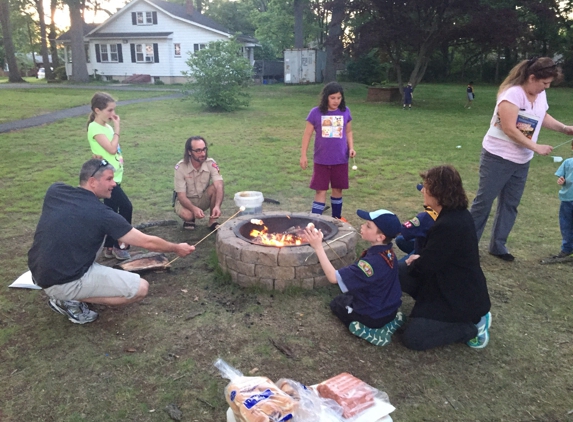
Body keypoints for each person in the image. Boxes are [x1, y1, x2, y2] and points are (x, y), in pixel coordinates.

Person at [28, 159, 195, 324]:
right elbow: (146, 242)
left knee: (91, 235)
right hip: (62, 280)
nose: (114, 184)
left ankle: (65, 291)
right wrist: (176, 248)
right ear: (92, 182)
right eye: (109, 179)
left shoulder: (56, 191)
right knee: (141, 288)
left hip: (38, 270)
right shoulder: (103, 215)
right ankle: (66, 299)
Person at [470, 57, 573, 262]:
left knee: (510, 204)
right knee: (484, 202)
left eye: (549, 84)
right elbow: (508, 128)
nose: (546, 87)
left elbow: (542, 115)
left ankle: (498, 246)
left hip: (521, 160)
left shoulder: (539, 95)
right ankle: (467, 246)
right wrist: (536, 147)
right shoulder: (512, 94)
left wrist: (564, 128)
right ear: (532, 77)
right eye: (544, 83)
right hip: (497, 157)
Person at [399, 165, 491, 351]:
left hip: (457, 295)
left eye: (426, 187)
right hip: (442, 278)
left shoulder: (450, 224)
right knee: (398, 270)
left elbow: (426, 266)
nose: (423, 191)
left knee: (413, 338)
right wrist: (417, 260)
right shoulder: (453, 214)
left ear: (438, 193)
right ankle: (428, 314)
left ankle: (471, 326)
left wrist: (415, 261)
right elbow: (433, 257)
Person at [304, 209, 405, 347]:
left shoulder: (370, 264)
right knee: (348, 296)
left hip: (373, 316)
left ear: (380, 237)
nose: (362, 226)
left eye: (368, 226)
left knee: (337, 303)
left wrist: (318, 247)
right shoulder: (388, 252)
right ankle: (392, 321)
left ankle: (370, 331)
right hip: (389, 309)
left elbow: (333, 278)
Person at [87, 92, 133, 260]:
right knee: (127, 207)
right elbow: (112, 149)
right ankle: (121, 245)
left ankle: (108, 247)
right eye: (109, 110)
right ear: (97, 110)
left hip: (114, 176)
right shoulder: (95, 128)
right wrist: (118, 129)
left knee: (112, 210)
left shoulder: (106, 126)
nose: (113, 114)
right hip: (106, 180)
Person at [300, 82, 355, 220]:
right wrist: (303, 155)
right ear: (326, 98)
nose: (336, 101)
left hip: (340, 159)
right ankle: (315, 221)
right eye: (332, 98)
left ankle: (336, 219)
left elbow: (348, 132)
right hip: (322, 159)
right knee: (320, 190)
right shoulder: (315, 113)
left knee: (337, 189)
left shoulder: (345, 111)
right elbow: (307, 134)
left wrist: (352, 147)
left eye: (339, 98)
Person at [174, 136, 224, 230]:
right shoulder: (180, 167)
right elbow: (181, 196)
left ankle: (212, 221)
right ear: (189, 152)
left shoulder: (211, 163)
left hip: (202, 198)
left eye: (204, 149)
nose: (203, 153)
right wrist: (193, 209)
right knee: (188, 215)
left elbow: (219, 185)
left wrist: (217, 206)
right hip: (185, 201)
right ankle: (190, 219)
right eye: (198, 151)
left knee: (216, 187)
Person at [395, 184, 438, 263]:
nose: (422, 192)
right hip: (439, 248)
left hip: (429, 255)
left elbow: (404, 230)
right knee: (400, 240)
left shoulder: (426, 217)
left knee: (397, 270)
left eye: (425, 190)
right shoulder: (453, 210)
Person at [553, 155, 573, 258]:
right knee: (566, 225)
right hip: (567, 198)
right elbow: (562, 177)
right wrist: (562, 180)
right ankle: (567, 249)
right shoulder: (568, 162)